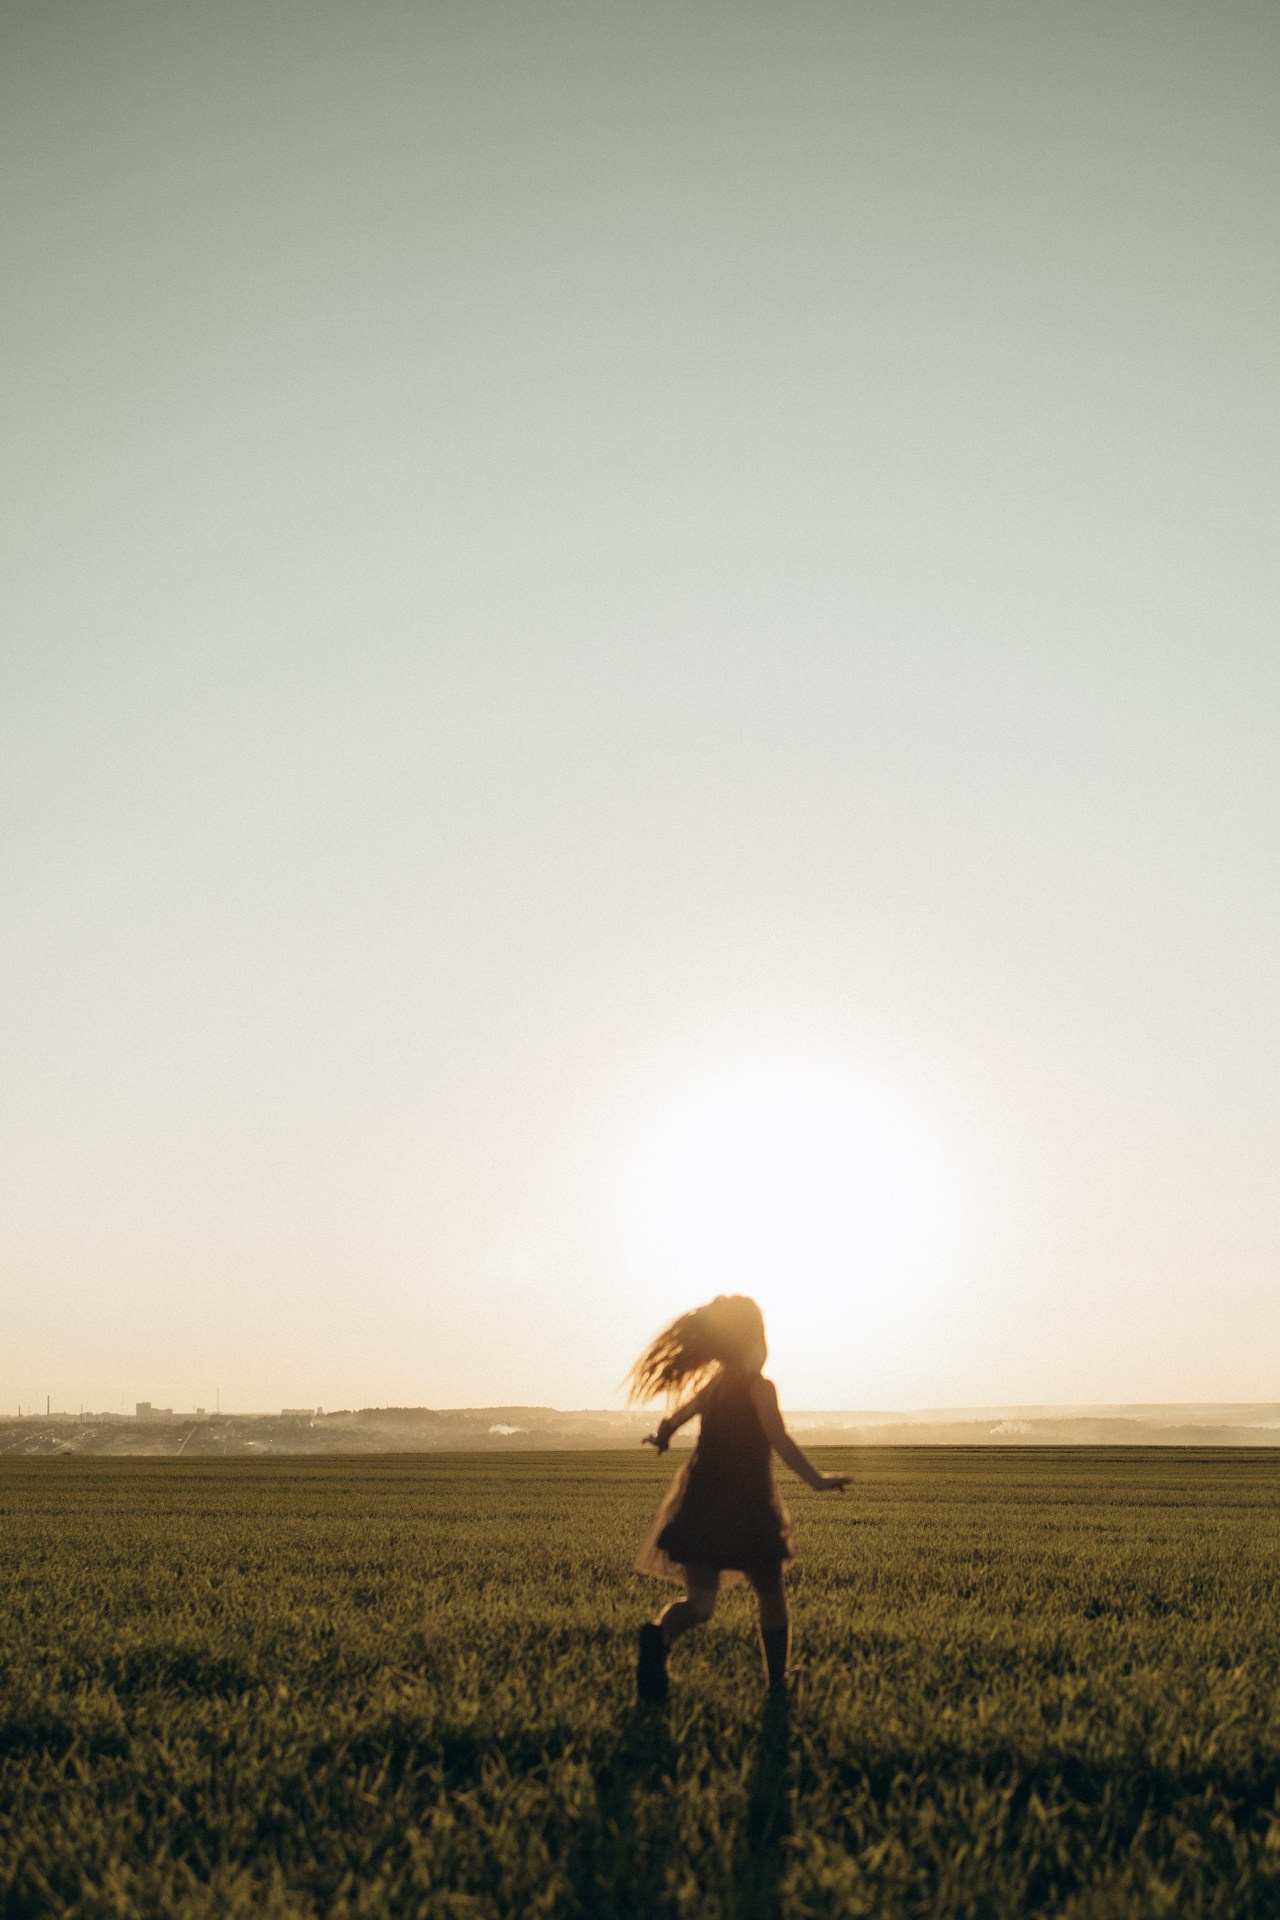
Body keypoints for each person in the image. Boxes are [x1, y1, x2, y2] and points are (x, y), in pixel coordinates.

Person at [628, 1293, 850, 1703]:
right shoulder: (759, 1387)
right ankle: (778, 1684)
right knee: (770, 1593)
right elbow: (779, 1439)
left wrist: (662, 1437)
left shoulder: (712, 1387)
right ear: (753, 1343)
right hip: (748, 1505)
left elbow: (675, 1417)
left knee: (700, 1604)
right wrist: (816, 1480)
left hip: (700, 1501)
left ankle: (659, 1638)